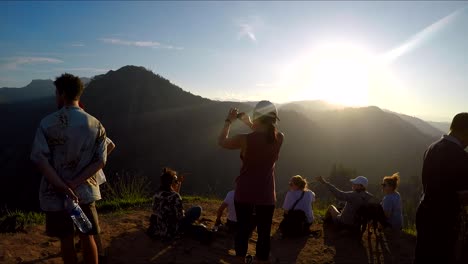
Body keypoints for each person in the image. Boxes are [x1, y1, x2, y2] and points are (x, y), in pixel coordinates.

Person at [31, 73, 106, 264]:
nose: (56, 96)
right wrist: (75, 183)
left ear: (62, 93)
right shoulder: (96, 124)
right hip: (85, 194)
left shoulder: (47, 123)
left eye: (57, 92)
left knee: (66, 239)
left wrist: (63, 187)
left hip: (56, 195)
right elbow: (100, 161)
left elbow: (40, 159)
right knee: (87, 236)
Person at [218, 100, 284, 263]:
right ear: (274, 118)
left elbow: (222, 142)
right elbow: (264, 133)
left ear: (257, 116)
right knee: (263, 234)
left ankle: (240, 259)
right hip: (266, 194)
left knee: (242, 230)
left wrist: (228, 121)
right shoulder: (279, 138)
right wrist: (248, 121)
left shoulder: (244, 139)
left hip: (245, 192)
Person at [414, 113, 468, 264]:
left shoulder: (432, 148)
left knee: (422, 256)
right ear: (465, 130)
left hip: (425, 212)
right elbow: (462, 196)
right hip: (443, 221)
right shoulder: (461, 156)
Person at [147, 168, 202, 241]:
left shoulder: (157, 194)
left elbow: (171, 196)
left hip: (158, 227)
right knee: (197, 209)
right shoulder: (175, 196)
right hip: (171, 230)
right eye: (176, 181)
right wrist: (183, 212)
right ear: (171, 182)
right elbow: (180, 217)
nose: (177, 182)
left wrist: (178, 185)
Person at [381, 173, 403, 264]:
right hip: (399, 223)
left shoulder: (387, 198)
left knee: (390, 247)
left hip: (391, 225)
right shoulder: (397, 194)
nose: (382, 186)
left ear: (390, 187)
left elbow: (387, 215)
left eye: (384, 185)